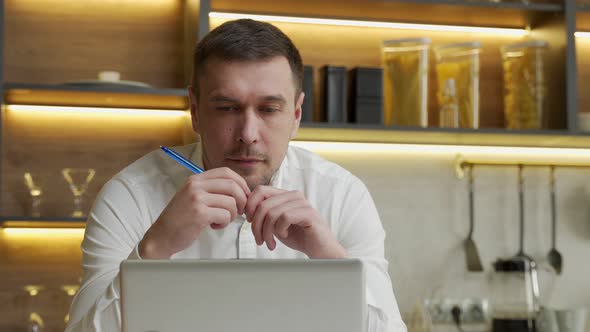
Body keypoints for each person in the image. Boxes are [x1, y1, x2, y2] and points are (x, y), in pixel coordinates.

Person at [65, 18, 406, 331]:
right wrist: (154, 249)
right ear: (196, 112)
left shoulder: (343, 196)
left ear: (297, 114)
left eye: (269, 109)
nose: (248, 133)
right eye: (227, 108)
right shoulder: (130, 195)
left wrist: (332, 261)